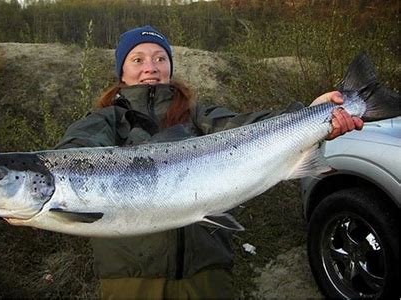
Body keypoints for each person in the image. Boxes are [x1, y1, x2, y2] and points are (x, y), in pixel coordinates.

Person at [55, 25, 363, 299]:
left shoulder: (197, 114)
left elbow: (245, 127)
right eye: (138, 59)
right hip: (130, 278)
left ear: (169, 68)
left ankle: (364, 99)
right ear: (122, 72)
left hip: (206, 272)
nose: (151, 66)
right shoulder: (104, 120)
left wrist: (311, 112)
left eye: (160, 58)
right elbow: (73, 152)